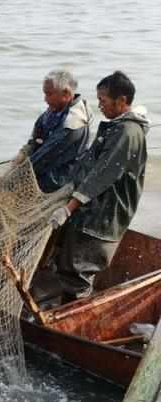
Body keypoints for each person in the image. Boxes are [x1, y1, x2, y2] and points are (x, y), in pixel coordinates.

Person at [46, 70, 149, 300]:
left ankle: (68, 321)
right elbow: (89, 164)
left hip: (102, 219)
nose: (99, 106)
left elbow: (101, 175)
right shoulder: (117, 126)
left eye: (103, 101)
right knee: (67, 266)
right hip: (91, 212)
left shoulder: (127, 132)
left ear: (121, 100)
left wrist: (67, 209)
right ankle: (64, 309)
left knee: (78, 274)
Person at [14, 69, 93, 193]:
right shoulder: (56, 109)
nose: (45, 99)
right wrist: (24, 152)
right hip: (45, 167)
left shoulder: (72, 123)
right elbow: (36, 137)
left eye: (49, 94)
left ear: (66, 93)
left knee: (10, 186)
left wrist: (13, 178)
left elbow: (43, 158)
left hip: (58, 178)